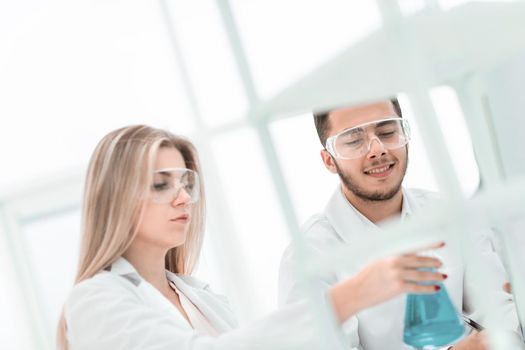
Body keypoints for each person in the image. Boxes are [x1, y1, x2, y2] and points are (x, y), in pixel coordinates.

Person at [57, 125, 447, 350]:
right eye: (161, 184)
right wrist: (346, 298)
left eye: (186, 182)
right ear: (116, 197)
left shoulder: (201, 297)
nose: (182, 197)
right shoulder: (94, 300)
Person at [278, 99, 520, 350]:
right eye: (353, 141)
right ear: (329, 160)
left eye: (387, 132)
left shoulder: (452, 214)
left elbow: (499, 308)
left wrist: (505, 337)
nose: (377, 149)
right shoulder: (309, 257)